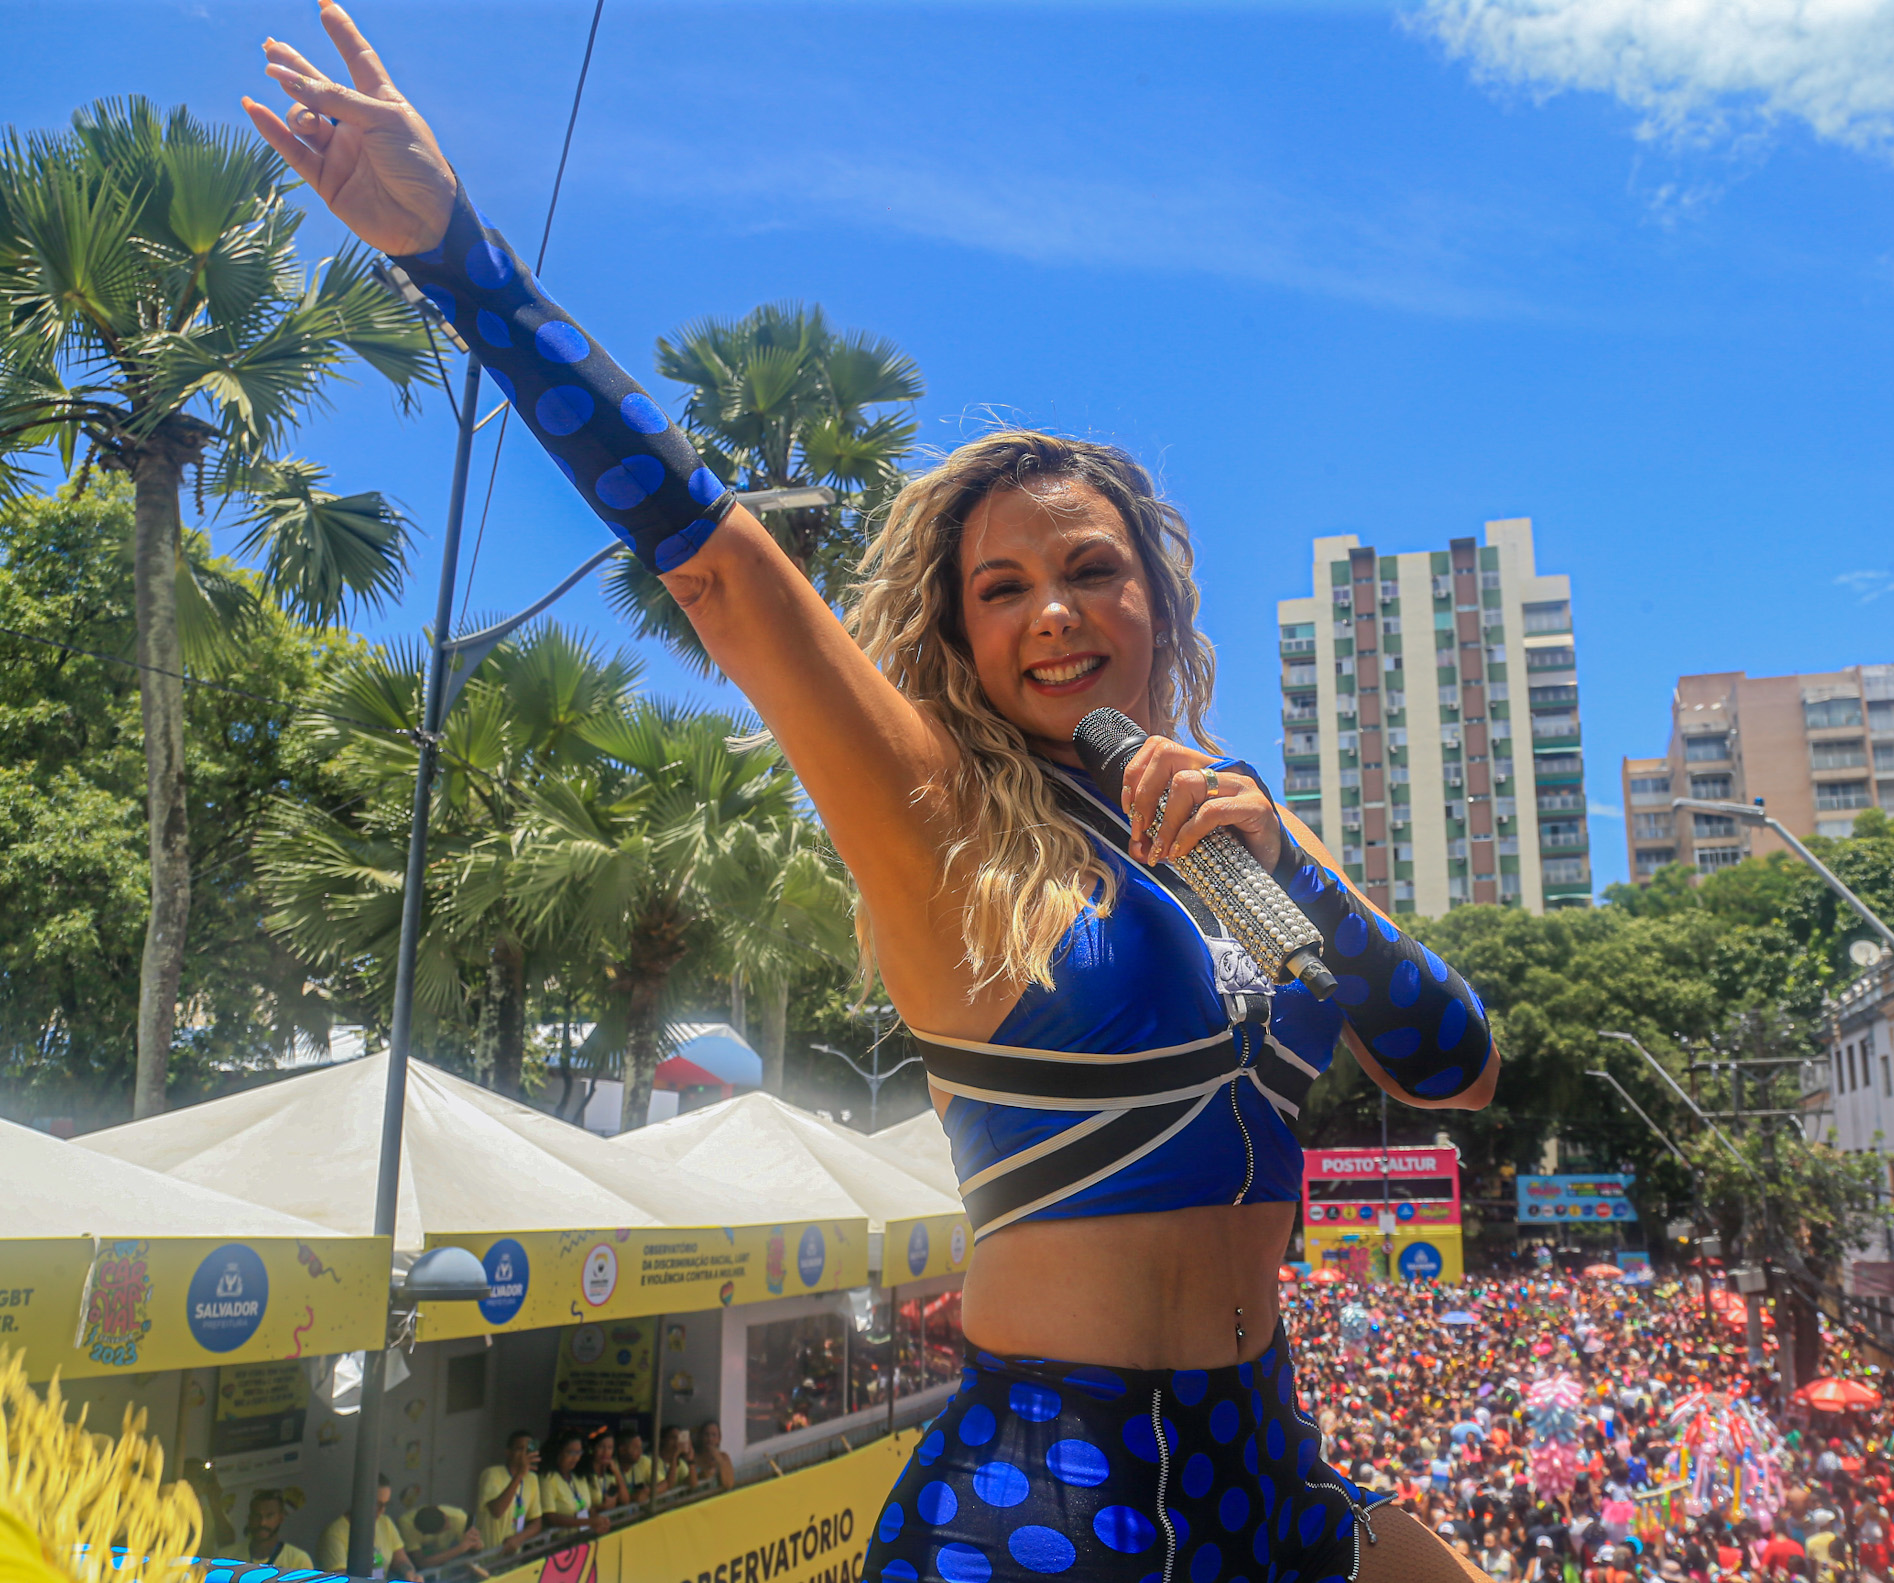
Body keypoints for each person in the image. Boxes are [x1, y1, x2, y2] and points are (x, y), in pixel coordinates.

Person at [243, 12, 1498, 1581]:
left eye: (1090, 569)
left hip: (1272, 1472)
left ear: (1157, 605)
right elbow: (723, 570)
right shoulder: (941, 819)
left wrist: (1291, 868)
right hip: (1046, 1494)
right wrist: (458, 258)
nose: (1054, 610)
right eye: (1005, 586)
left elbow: (1456, 1062)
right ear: (961, 640)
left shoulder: (1244, 827)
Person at [317, 1473, 417, 1580]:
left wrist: (409, 1574)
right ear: (360, 1500)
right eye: (377, 1504)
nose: (382, 1510)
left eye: (386, 1504)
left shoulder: (385, 1523)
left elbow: (401, 1560)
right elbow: (343, 1579)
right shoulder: (335, 1534)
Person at [475, 1430, 544, 1554]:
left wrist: (519, 1538)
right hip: (487, 1554)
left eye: (527, 1450)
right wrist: (519, 1475)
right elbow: (497, 1511)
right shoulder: (491, 1474)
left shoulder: (532, 1478)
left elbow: (537, 1522)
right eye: (519, 1449)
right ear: (508, 1452)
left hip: (513, 1555)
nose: (524, 1454)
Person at [221, 1488, 313, 1572]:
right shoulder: (227, 1557)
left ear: (280, 1518)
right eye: (257, 1516)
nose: (262, 1523)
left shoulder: (298, 1560)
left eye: (269, 1516)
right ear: (249, 1519)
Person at [538, 1433, 610, 1536]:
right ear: (558, 1452)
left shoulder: (579, 1476)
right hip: (558, 1544)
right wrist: (588, 1522)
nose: (576, 1458)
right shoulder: (547, 1478)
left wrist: (599, 1521)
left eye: (579, 1452)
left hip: (581, 1538)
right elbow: (550, 1518)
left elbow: (587, 1508)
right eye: (571, 1452)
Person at [398, 1502, 485, 1572]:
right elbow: (420, 1562)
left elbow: (475, 1550)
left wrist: (476, 1546)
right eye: (444, 1529)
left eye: (447, 1519)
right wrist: (461, 1548)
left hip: (447, 1565)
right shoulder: (406, 1524)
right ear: (426, 1533)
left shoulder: (459, 1517)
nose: (449, 1526)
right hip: (422, 1567)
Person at [691, 1421, 736, 1495]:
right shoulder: (693, 1458)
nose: (710, 1439)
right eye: (706, 1435)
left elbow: (729, 1484)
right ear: (701, 1437)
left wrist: (718, 1459)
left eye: (714, 1435)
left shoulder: (724, 1457)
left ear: (719, 1439)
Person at [617, 1429, 658, 1506]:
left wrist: (648, 1491)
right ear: (622, 1449)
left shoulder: (643, 1461)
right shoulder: (611, 1467)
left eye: (641, 1447)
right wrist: (633, 1497)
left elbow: (666, 1484)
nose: (640, 1451)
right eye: (636, 1448)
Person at [655, 1425, 694, 1495]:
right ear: (663, 1440)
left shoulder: (681, 1464)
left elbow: (693, 1484)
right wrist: (675, 1456)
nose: (676, 1442)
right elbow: (669, 1485)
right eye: (673, 1438)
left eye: (678, 1439)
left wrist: (690, 1460)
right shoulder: (652, 1461)